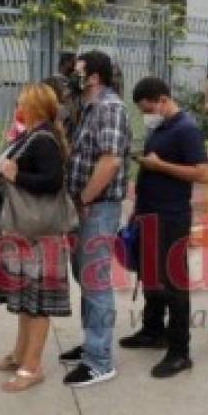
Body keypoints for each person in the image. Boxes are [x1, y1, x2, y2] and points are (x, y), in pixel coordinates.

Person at [0, 84, 73, 392]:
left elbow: (53, 180)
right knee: (25, 299)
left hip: (38, 235)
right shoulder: (32, 135)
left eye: (22, 102)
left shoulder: (43, 139)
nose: (17, 105)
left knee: (38, 302)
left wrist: (15, 175)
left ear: (33, 106)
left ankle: (32, 366)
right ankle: (20, 354)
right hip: (23, 231)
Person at [120, 77, 208, 378]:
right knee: (150, 277)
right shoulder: (160, 128)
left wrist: (161, 167)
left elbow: (202, 173)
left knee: (173, 282)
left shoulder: (187, 130)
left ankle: (179, 351)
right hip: (148, 212)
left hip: (171, 216)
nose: (146, 115)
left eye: (147, 108)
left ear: (161, 100)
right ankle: (152, 329)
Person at [58, 52, 131, 388]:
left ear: (95, 76)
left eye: (79, 71)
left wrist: (86, 197)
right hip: (83, 205)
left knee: (95, 279)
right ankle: (92, 344)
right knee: (85, 276)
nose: (73, 74)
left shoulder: (109, 107)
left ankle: (100, 360)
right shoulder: (86, 107)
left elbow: (111, 160)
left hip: (98, 207)